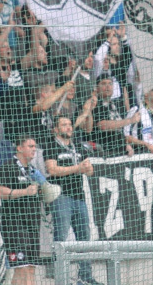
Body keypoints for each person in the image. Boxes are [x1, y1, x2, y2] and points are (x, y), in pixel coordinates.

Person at [44, 117, 101, 285]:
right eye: (64, 125)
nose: (68, 128)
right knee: (61, 238)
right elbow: (52, 170)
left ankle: (85, 276)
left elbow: (89, 171)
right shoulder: (51, 145)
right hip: (61, 197)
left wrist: (88, 169)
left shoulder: (77, 145)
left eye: (69, 125)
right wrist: (78, 168)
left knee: (84, 238)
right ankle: (60, 277)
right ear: (55, 129)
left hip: (79, 196)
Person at [0, 136, 43, 285]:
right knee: (20, 268)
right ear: (19, 148)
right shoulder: (8, 167)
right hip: (15, 224)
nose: (34, 149)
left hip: (33, 224)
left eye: (35, 146)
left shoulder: (33, 171)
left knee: (30, 268)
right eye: (30, 146)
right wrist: (24, 192)